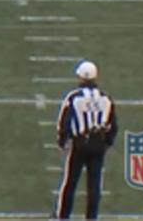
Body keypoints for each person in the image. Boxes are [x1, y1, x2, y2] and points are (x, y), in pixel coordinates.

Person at [54, 60, 118, 220]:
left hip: (80, 143)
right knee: (94, 185)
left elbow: (65, 121)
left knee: (70, 182)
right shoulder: (106, 98)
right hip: (98, 143)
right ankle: (91, 217)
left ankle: (63, 216)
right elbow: (113, 124)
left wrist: (62, 141)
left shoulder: (74, 97)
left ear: (81, 78)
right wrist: (108, 142)